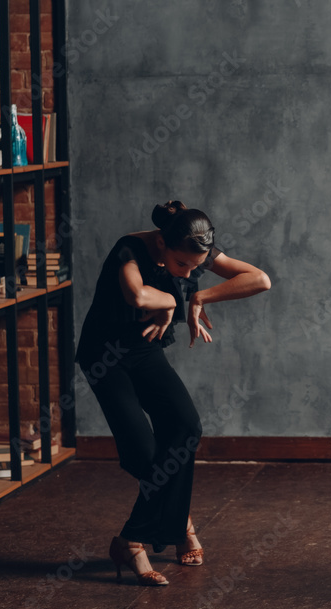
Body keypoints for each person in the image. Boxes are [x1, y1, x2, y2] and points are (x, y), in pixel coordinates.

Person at [76, 200, 271, 586]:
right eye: (183, 266)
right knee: (146, 455)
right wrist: (171, 302)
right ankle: (181, 522)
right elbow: (137, 296)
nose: (189, 272)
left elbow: (259, 279)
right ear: (163, 244)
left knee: (186, 428)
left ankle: (131, 540)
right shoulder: (128, 249)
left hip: (145, 350)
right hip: (105, 356)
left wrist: (200, 297)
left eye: (196, 268)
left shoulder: (192, 249)